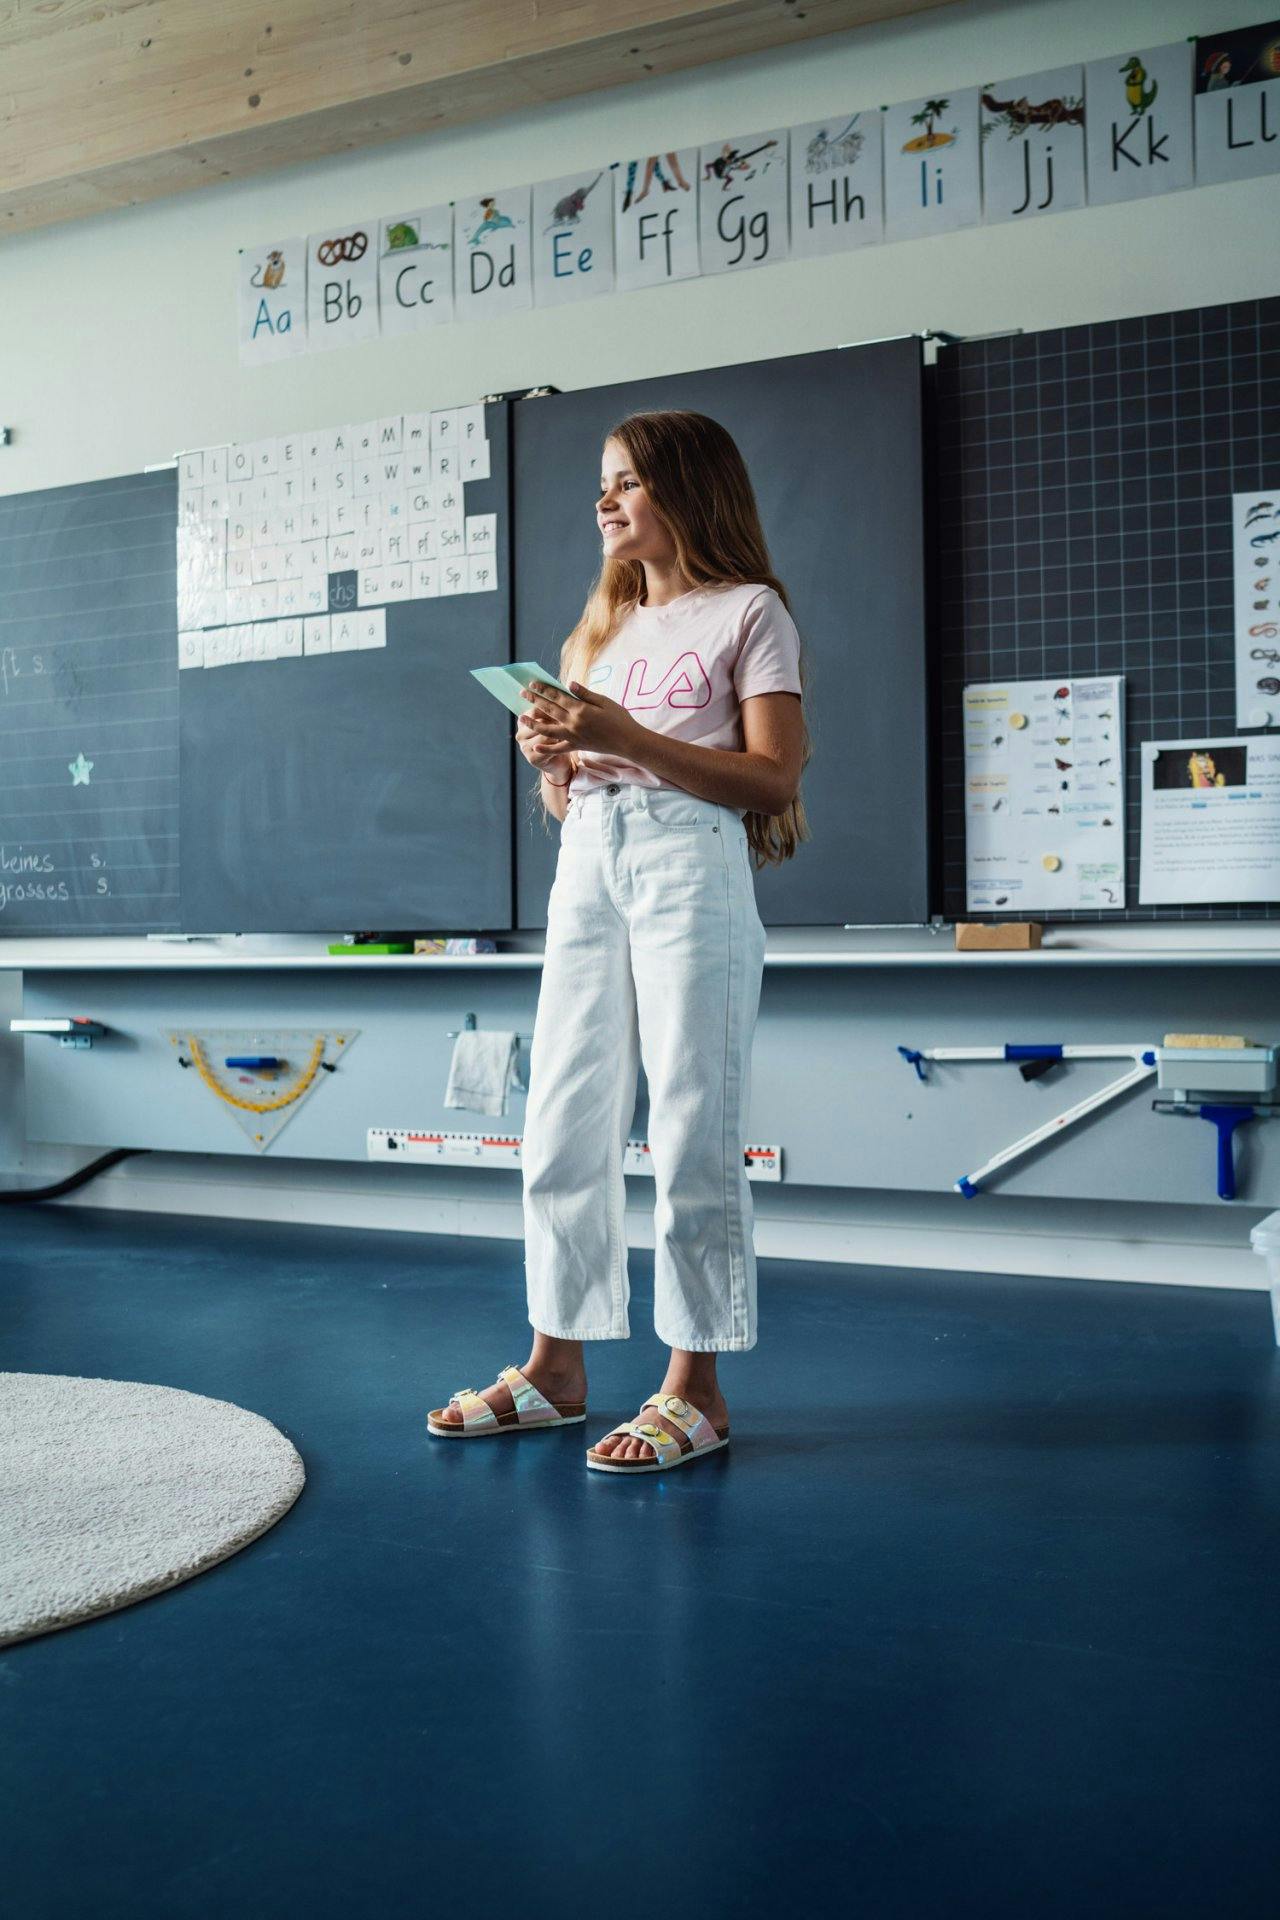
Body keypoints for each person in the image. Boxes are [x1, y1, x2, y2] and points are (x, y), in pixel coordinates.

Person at [427, 409, 811, 1473]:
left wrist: (620, 736)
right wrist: (554, 757)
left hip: (691, 865)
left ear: (686, 489)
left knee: (691, 1118)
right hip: (589, 863)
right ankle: (556, 1366)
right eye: (601, 483)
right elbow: (577, 787)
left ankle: (695, 1386)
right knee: (560, 1115)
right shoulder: (599, 629)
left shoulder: (749, 612)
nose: (603, 502)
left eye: (626, 482)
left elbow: (772, 778)